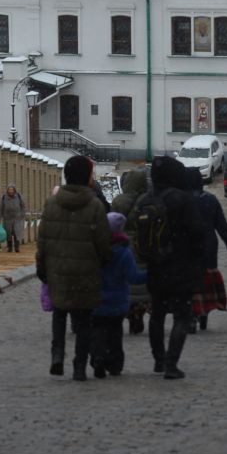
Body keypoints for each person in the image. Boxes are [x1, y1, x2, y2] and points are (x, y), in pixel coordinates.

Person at [36, 155, 112, 381]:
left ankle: (57, 355)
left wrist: (43, 265)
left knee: (59, 313)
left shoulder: (51, 204)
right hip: (86, 271)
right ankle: (79, 367)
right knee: (83, 321)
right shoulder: (95, 205)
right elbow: (103, 242)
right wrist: (103, 262)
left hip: (58, 270)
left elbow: (43, 239)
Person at [144, 155, 204, 380]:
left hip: (155, 265)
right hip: (181, 266)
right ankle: (171, 363)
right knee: (181, 315)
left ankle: (158, 360)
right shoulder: (183, 199)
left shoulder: (146, 199)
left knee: (157, 314)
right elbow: (198, 232)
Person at [90, 212, 147, 378]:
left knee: (98, 331)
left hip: (96, 299)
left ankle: (98, 358)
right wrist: (151, 273)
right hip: (118, 301)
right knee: (115, 334)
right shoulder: (124, 251)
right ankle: (115, 364)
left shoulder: (95, 247)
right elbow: (133, 277)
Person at [185, 168, 227, 331]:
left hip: (187, 248)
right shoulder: (210, 200)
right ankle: (204, 313)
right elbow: (222, 226)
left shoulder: (182, 201)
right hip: (208, 246)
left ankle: (191, 314)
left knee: (189, 282)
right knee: (206, 280)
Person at [112, 167, 152, 334]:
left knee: (126, 280)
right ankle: (141, 310)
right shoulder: (148, 200)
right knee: (142, 279)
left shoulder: (119, 201)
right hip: (142, 245)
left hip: (124, 245)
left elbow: (112, 223)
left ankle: (130, 313)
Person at [0, 184, 26, 252]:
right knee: (8, 234)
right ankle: (9, 248)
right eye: (9, 190)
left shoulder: (18, 196)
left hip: (17, 219)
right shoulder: (4, 197)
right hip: (7, 219)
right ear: (7, 190)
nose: (11, 191)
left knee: (16, 233)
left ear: (14, 190)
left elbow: (23, 206)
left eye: (12, 189)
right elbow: (0, 208)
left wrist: (22, 214)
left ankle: (17, 247)